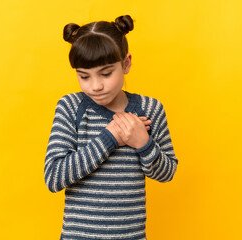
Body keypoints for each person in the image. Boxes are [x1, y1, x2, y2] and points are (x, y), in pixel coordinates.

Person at [44, 15, 179, 240]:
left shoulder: (150, 108)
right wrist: (110, 137)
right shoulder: (70, 107)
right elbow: (54, 177)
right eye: (84, 76)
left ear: (126, 64)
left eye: (106, 74)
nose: (96, 86)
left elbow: (167, 173)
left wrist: (144, 144)